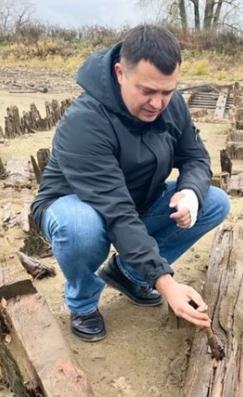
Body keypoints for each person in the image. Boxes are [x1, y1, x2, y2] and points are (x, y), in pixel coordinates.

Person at [31, 24, 230, 342]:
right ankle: (83, 302)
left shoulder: (171, 105)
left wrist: (190, 191)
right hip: (77, 205)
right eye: (147, 91)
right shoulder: (85, 122)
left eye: (167, 91)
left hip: (139, 200)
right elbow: (116, 211)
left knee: (215, 201)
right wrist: (166, 283)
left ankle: (127, 272)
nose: (157, 103)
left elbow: (195, 157)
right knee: (81, 227)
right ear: (120, 72)